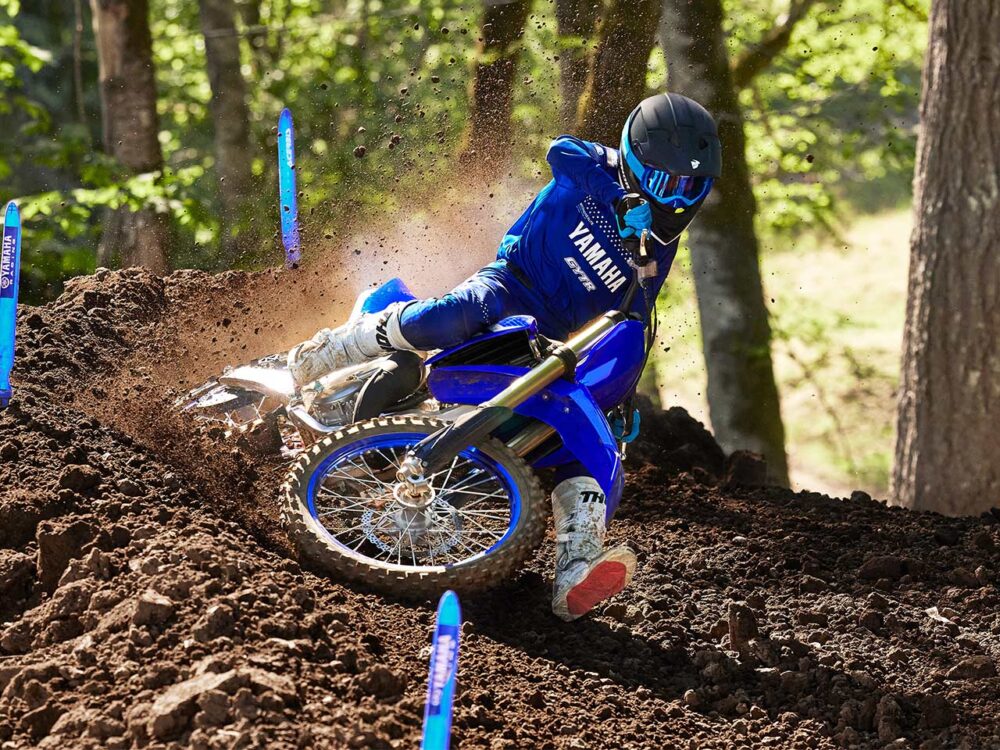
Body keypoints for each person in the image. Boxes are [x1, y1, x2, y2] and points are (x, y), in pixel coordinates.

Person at [289, 92, 721, 621]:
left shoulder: (658, 246)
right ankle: (339, 345)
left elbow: (635, 314)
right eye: (663, 182)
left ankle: (577, 569)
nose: (675, 199)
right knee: (458, 313)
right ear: (633, 158)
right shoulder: (594, 164)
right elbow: (561, 151)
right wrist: (617, 197)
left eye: (690, 187)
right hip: (510, 289)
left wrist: (619, 392)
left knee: (580, 451)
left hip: (559, 343)